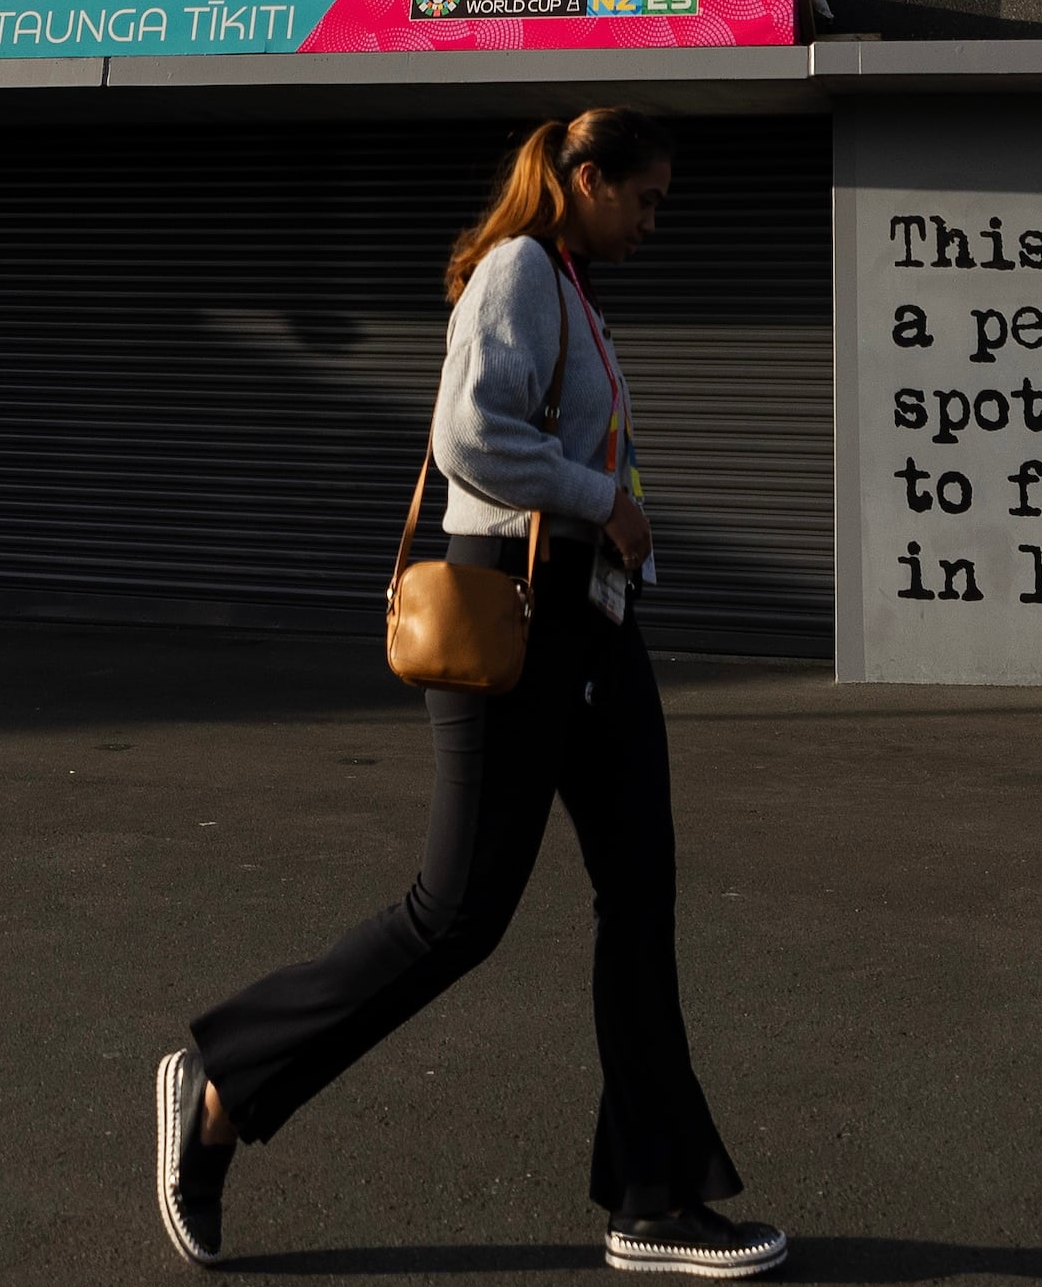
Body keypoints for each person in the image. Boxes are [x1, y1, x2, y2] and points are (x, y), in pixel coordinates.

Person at [156, 109, 785, 1278]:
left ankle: (653, 1197)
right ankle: (230, 1082)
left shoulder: (576, 291)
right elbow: (468, 438)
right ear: (584, 178)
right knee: (456, 917)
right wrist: (604, 508)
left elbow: (577, 454)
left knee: (639, 897)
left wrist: (622, 533)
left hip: (594, 628)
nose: (655, 222)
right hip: (518, 628)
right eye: (643, 198)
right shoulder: (519, 273)